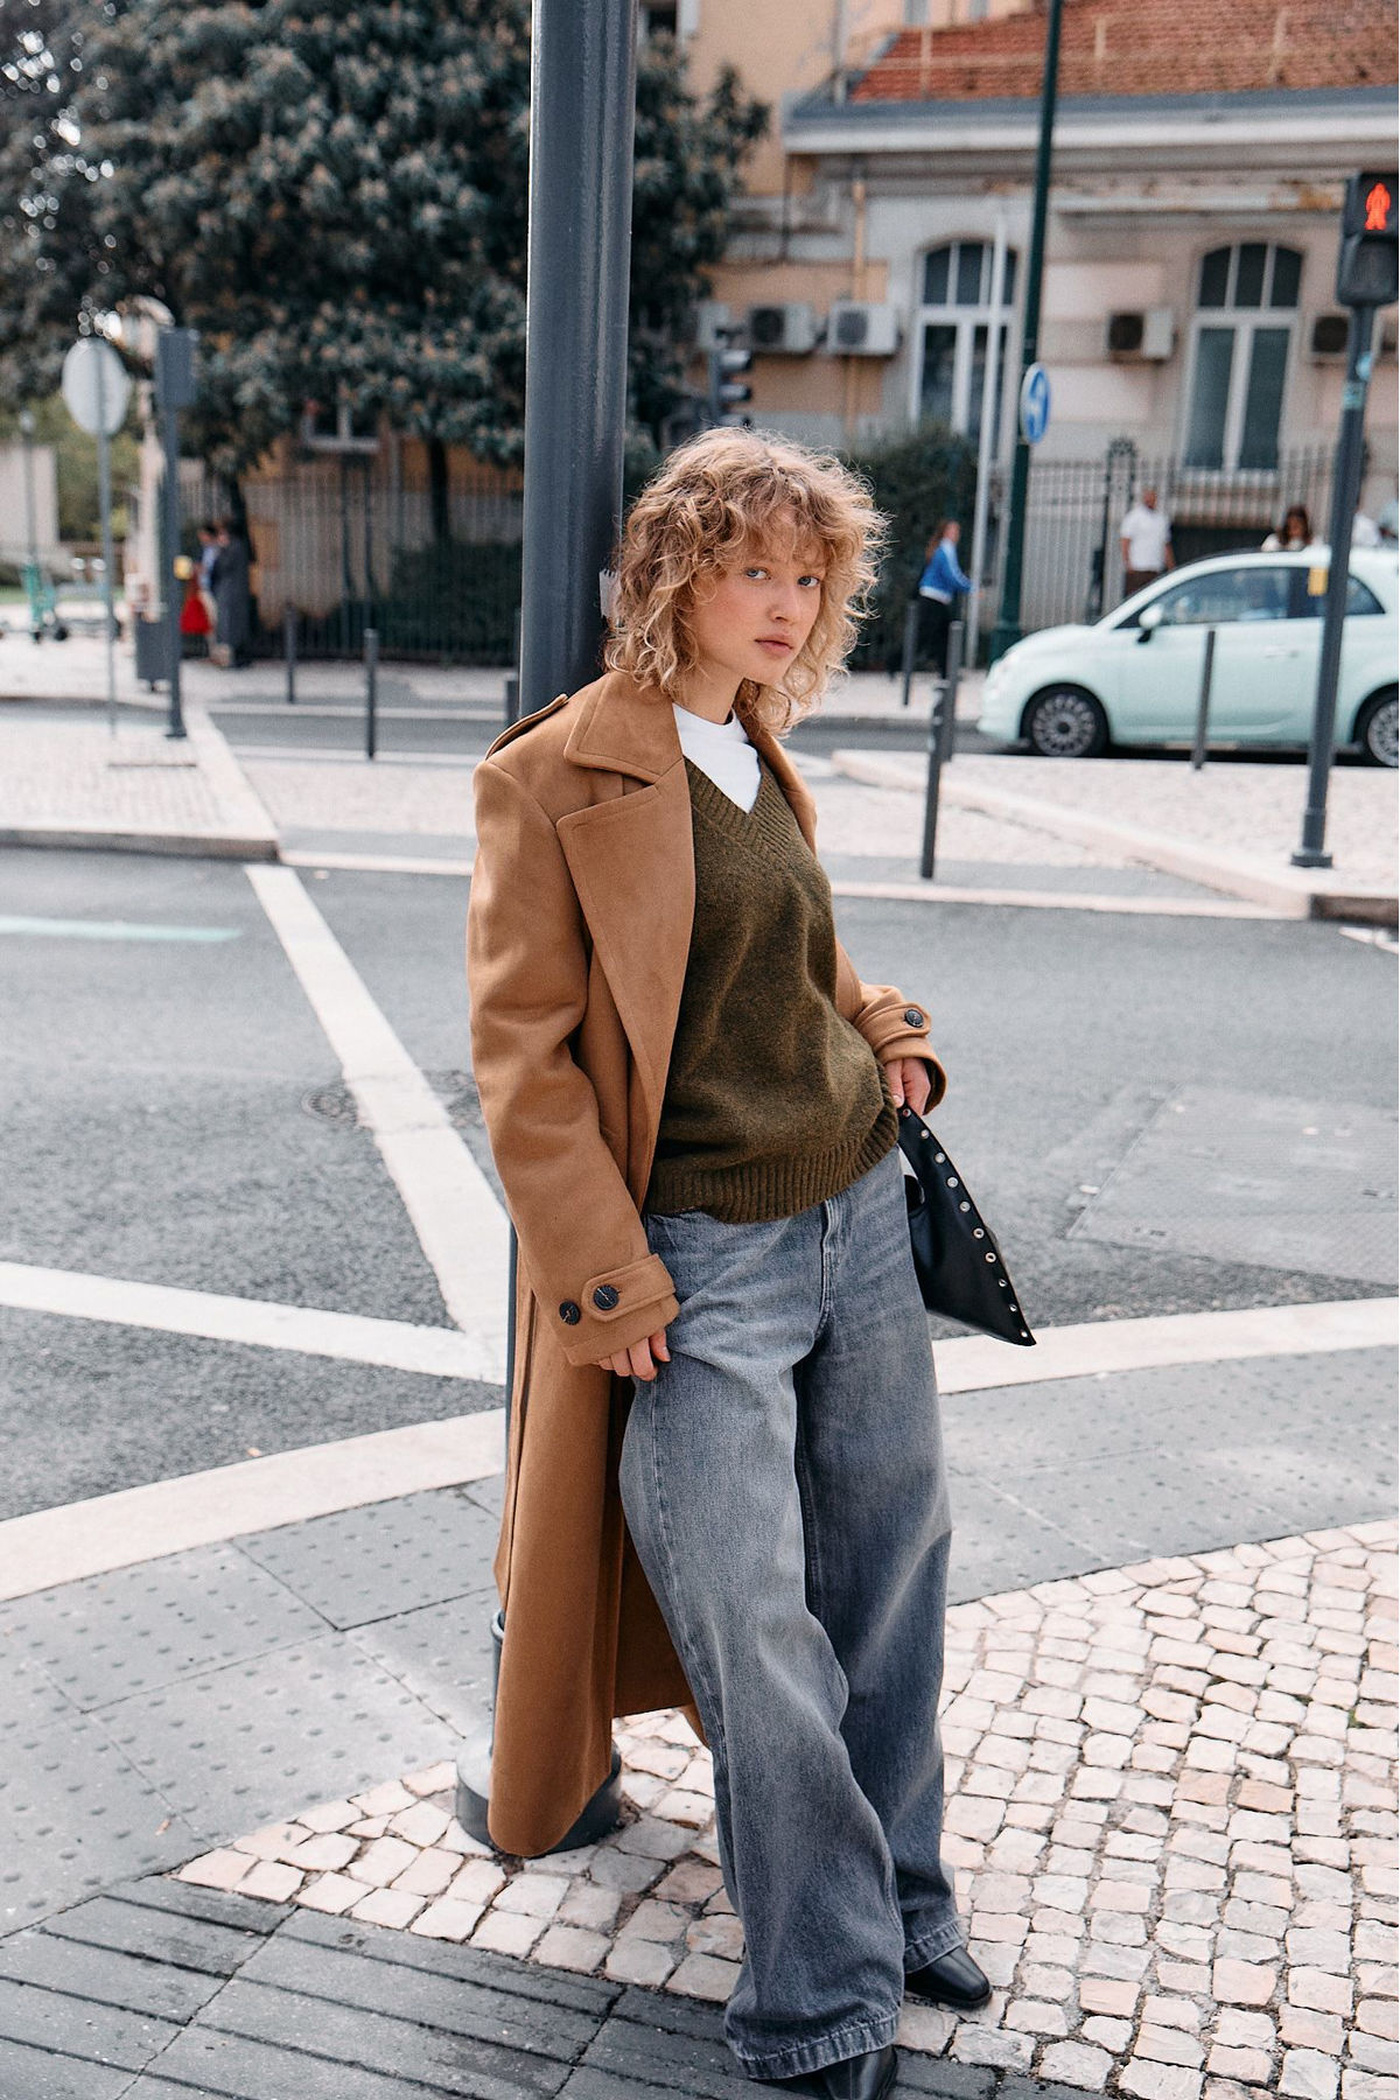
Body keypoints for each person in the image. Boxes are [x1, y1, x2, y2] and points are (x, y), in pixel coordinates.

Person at [466, 428, 988, 2100]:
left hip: (856, 1214)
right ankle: (820, 1988)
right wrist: (603, 1279)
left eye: (809, 575)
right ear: (675, 573)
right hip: (699, 1260)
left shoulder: (761, 743)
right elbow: (525, 1061)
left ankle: (903, 1900)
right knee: (752, 1619)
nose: (787, 603)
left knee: (890, 1574)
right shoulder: (557, 776)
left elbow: (796, 958)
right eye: (753, 567)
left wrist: (888, 1034)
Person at [916, 519, 972, 677]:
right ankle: (894, 663)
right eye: (954, 531)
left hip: (935, 598)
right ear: (946, 532)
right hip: (934, 598)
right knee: (929, 637)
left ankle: (946, 672)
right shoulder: (946, 549)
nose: (957, 535)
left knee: (941, 636)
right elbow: (952, 575)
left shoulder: (943, 548)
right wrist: (970, 587)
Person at [210, 517, 252, 668]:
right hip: (233, 593)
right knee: (233, 626)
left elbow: (223, 566)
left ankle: (233, 658)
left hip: (231, 593)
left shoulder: (232, 548)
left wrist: (221, 550)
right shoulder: (238, 547)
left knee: (230, 627)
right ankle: (235, 657)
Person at [1120, 486, 1175, 596]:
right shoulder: (1134, 517)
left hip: (1155, 567)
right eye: (1148, 497)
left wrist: (1171, 566)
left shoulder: (1161, 519)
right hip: (1138, 567)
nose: (1150, 500)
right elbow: (1125, 541)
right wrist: (1128, 563)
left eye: (1153, 497)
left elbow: (1165, 544)